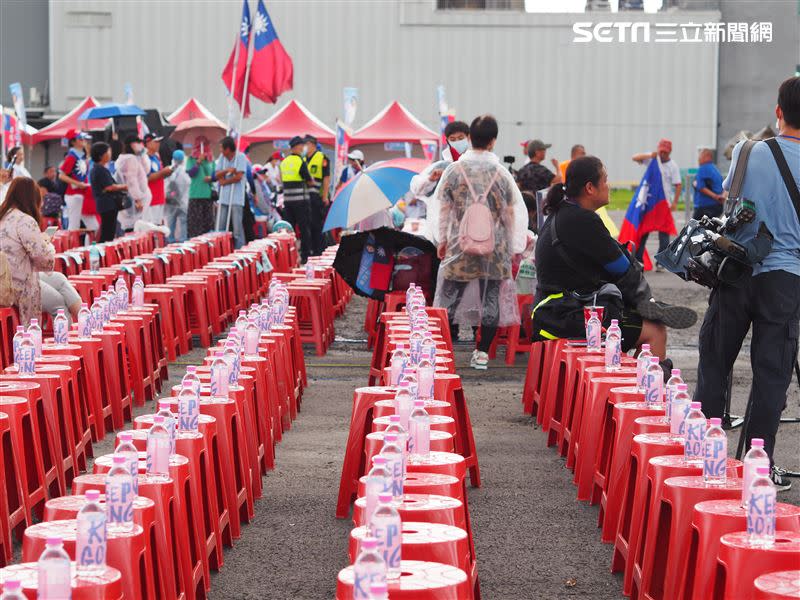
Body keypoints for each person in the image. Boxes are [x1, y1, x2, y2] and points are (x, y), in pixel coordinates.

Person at [695, 76, 800, 490]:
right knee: (771, 372)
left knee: (715, 358)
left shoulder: (746, 149)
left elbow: (730, 198)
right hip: (786, 277)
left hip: (735, 271)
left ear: (777, 112)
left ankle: (704, 453)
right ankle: (757, 464)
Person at [533, 155, 696, 361]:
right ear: (590, 188)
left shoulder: (561, 213)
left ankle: (645, 313)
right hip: (567, 317)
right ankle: (639, 389)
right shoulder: (583, 220)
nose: (608, 186)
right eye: (605, 180)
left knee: (627, 309)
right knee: (655, 331)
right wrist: (644, 302)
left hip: (551, 311)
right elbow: (622, 268)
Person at [433, 115, 529, 370]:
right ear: (493, 141)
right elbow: (511, 214)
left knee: (449, 298)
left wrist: (441, 240)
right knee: (491, 299)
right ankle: (482, 353)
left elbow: (443, 210)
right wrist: (512, 247)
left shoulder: (454, 170)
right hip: (494, 249)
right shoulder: (501, 174)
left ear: (469, 139)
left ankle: (441, 352)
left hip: (459, 245)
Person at [0, 178, 81, 324]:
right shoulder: (25, 220)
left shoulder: (3, 215)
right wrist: (47, 244)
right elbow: (45, 260)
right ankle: (65, 343)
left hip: (7, 280)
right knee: (59, 304)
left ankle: (87, 321)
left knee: (60, 279)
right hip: (18, 285)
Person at [410, 120, 471, 245]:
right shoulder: (441, 166)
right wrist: (430, 179)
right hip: (441, 234)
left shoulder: (475, 165)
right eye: (452, 139)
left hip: (469, 230)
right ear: (447, 140)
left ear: (468, 138)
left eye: (460, 138)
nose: (457, 142)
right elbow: (416, 188)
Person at [632, 138, 681, 265]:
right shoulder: (652, 159)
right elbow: (635, 158)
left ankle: (661, 261)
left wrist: (675, 202)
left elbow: (678, 184)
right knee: (644, 231)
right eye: (661, 152)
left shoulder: (672, 166)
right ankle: (638, 259)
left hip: (664, 203)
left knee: (664, 234)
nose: (663, 154)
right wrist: (650, 155)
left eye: (665, 152)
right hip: (649, 203)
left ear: (669, 152)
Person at [280, 136, 314, 262]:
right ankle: (305, 256)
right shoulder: (300, 161)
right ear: (297, 147)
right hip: (301, 201)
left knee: (288, 230)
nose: (302, 148)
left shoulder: (284, 162)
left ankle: (288, 257)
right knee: (304, 229)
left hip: (288, 201)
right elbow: (309, 180)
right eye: (301, 145)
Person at [89, 142, 127, 242]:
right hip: (107, 204)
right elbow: (109, 187)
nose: (110, 154)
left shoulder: (97, 169)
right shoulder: (100, 170)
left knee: (108, 230)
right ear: (102, 155)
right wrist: (126, 186)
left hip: (106, 205)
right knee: (108, 232)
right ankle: (103, 253)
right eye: (108, 152)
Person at [215, 136, 248, 249]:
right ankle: (220, 249)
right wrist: (227, 171)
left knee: (237, 228)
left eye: (222, 148)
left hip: (236, 198)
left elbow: (239, 176)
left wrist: (225, 181)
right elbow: (217, 174)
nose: (220, 151)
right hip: (224, 197)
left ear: (228, 149)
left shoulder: (241, 157)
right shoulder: (222, 158)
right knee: (220, 227)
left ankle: (240, 249)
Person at [114, 135, 151, 232]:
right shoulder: (129, 159)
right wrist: (137, 199)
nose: (140, 145)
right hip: (134, 199)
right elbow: (132, 181)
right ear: (131, 145)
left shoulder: (133, 157)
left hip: (138, 197)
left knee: (137, 225)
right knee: (134, 227)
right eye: (138, 143)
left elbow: (146, 170)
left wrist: (142, 155)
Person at [58, 130, 92, 230]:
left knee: (92, 225)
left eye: (84, 139)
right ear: (73, 142)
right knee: (74, 226)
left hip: (82, 193)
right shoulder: (71, 157)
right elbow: (61, 176)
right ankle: (71, 245)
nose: (84, 141)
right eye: (80, 139)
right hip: (74, 194)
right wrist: (78, 184)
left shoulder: (80, 156)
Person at [304, 135, 330, 256]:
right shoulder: (303, 159)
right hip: (304, 198)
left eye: (306, 144)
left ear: (312, 144)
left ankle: (318, 252)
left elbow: (326, 178)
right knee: (306, 226)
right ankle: (310, 251)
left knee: (316, 225)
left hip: (316, 197)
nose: (304, 147)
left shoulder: (322, 158)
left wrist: (325, 196)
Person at [144, 133, 172, 225]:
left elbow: (159, 175)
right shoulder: (145, 159)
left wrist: (167, 172)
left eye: (159, 142)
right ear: (147, 144)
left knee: (159, 225)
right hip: (151, 199)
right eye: (155, 142)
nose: (158, 144)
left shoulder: (156, 156)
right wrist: (163, 172)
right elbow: (146, 178)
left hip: (159, 196)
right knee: (152, 227)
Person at [692, 147, 726, 220]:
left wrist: (715, 197)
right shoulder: (716, 170)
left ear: (707, 156)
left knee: (694, 229)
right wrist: (721, 197)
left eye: (700, 156)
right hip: (718, 207)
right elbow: (723, 187)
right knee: (710, 229)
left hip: (704, 206)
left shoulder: (702, 168)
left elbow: (701, 187)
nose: (698, 159)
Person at [165, 149, 190, 242]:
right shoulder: (186, 171)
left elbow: (166, 186)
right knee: (184, 224)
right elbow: (188, 183)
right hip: (184, 202)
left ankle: (170, 243)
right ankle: (183, 243)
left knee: (171, 223)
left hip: (171, 202)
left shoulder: (169, 170)